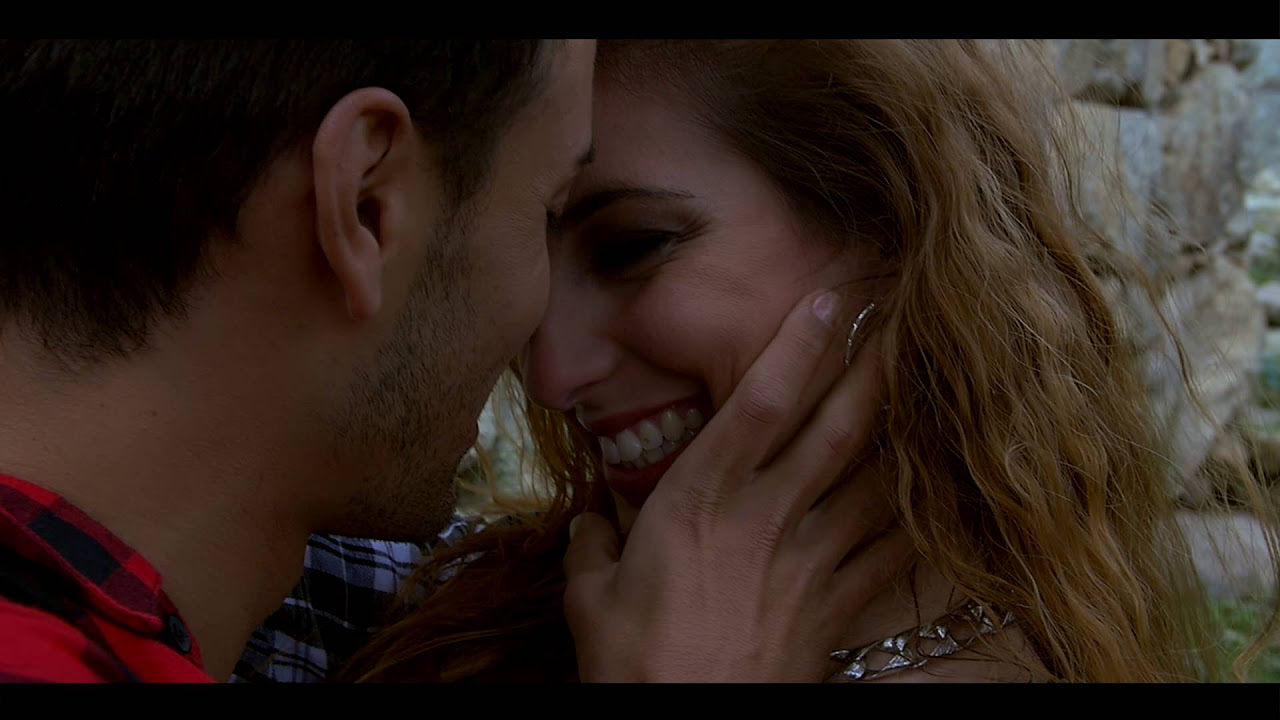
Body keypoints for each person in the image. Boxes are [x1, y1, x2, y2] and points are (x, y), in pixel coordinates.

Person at [241, 39, 1279, 683]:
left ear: (893, 226)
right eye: (536, 257)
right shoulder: (413, 602)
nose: (551, 376)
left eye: (633, 246)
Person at [0, 38, 897, 684]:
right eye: (541, 209)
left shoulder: (350, 601)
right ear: (366, 206)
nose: (550, 378)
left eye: (628, 246)